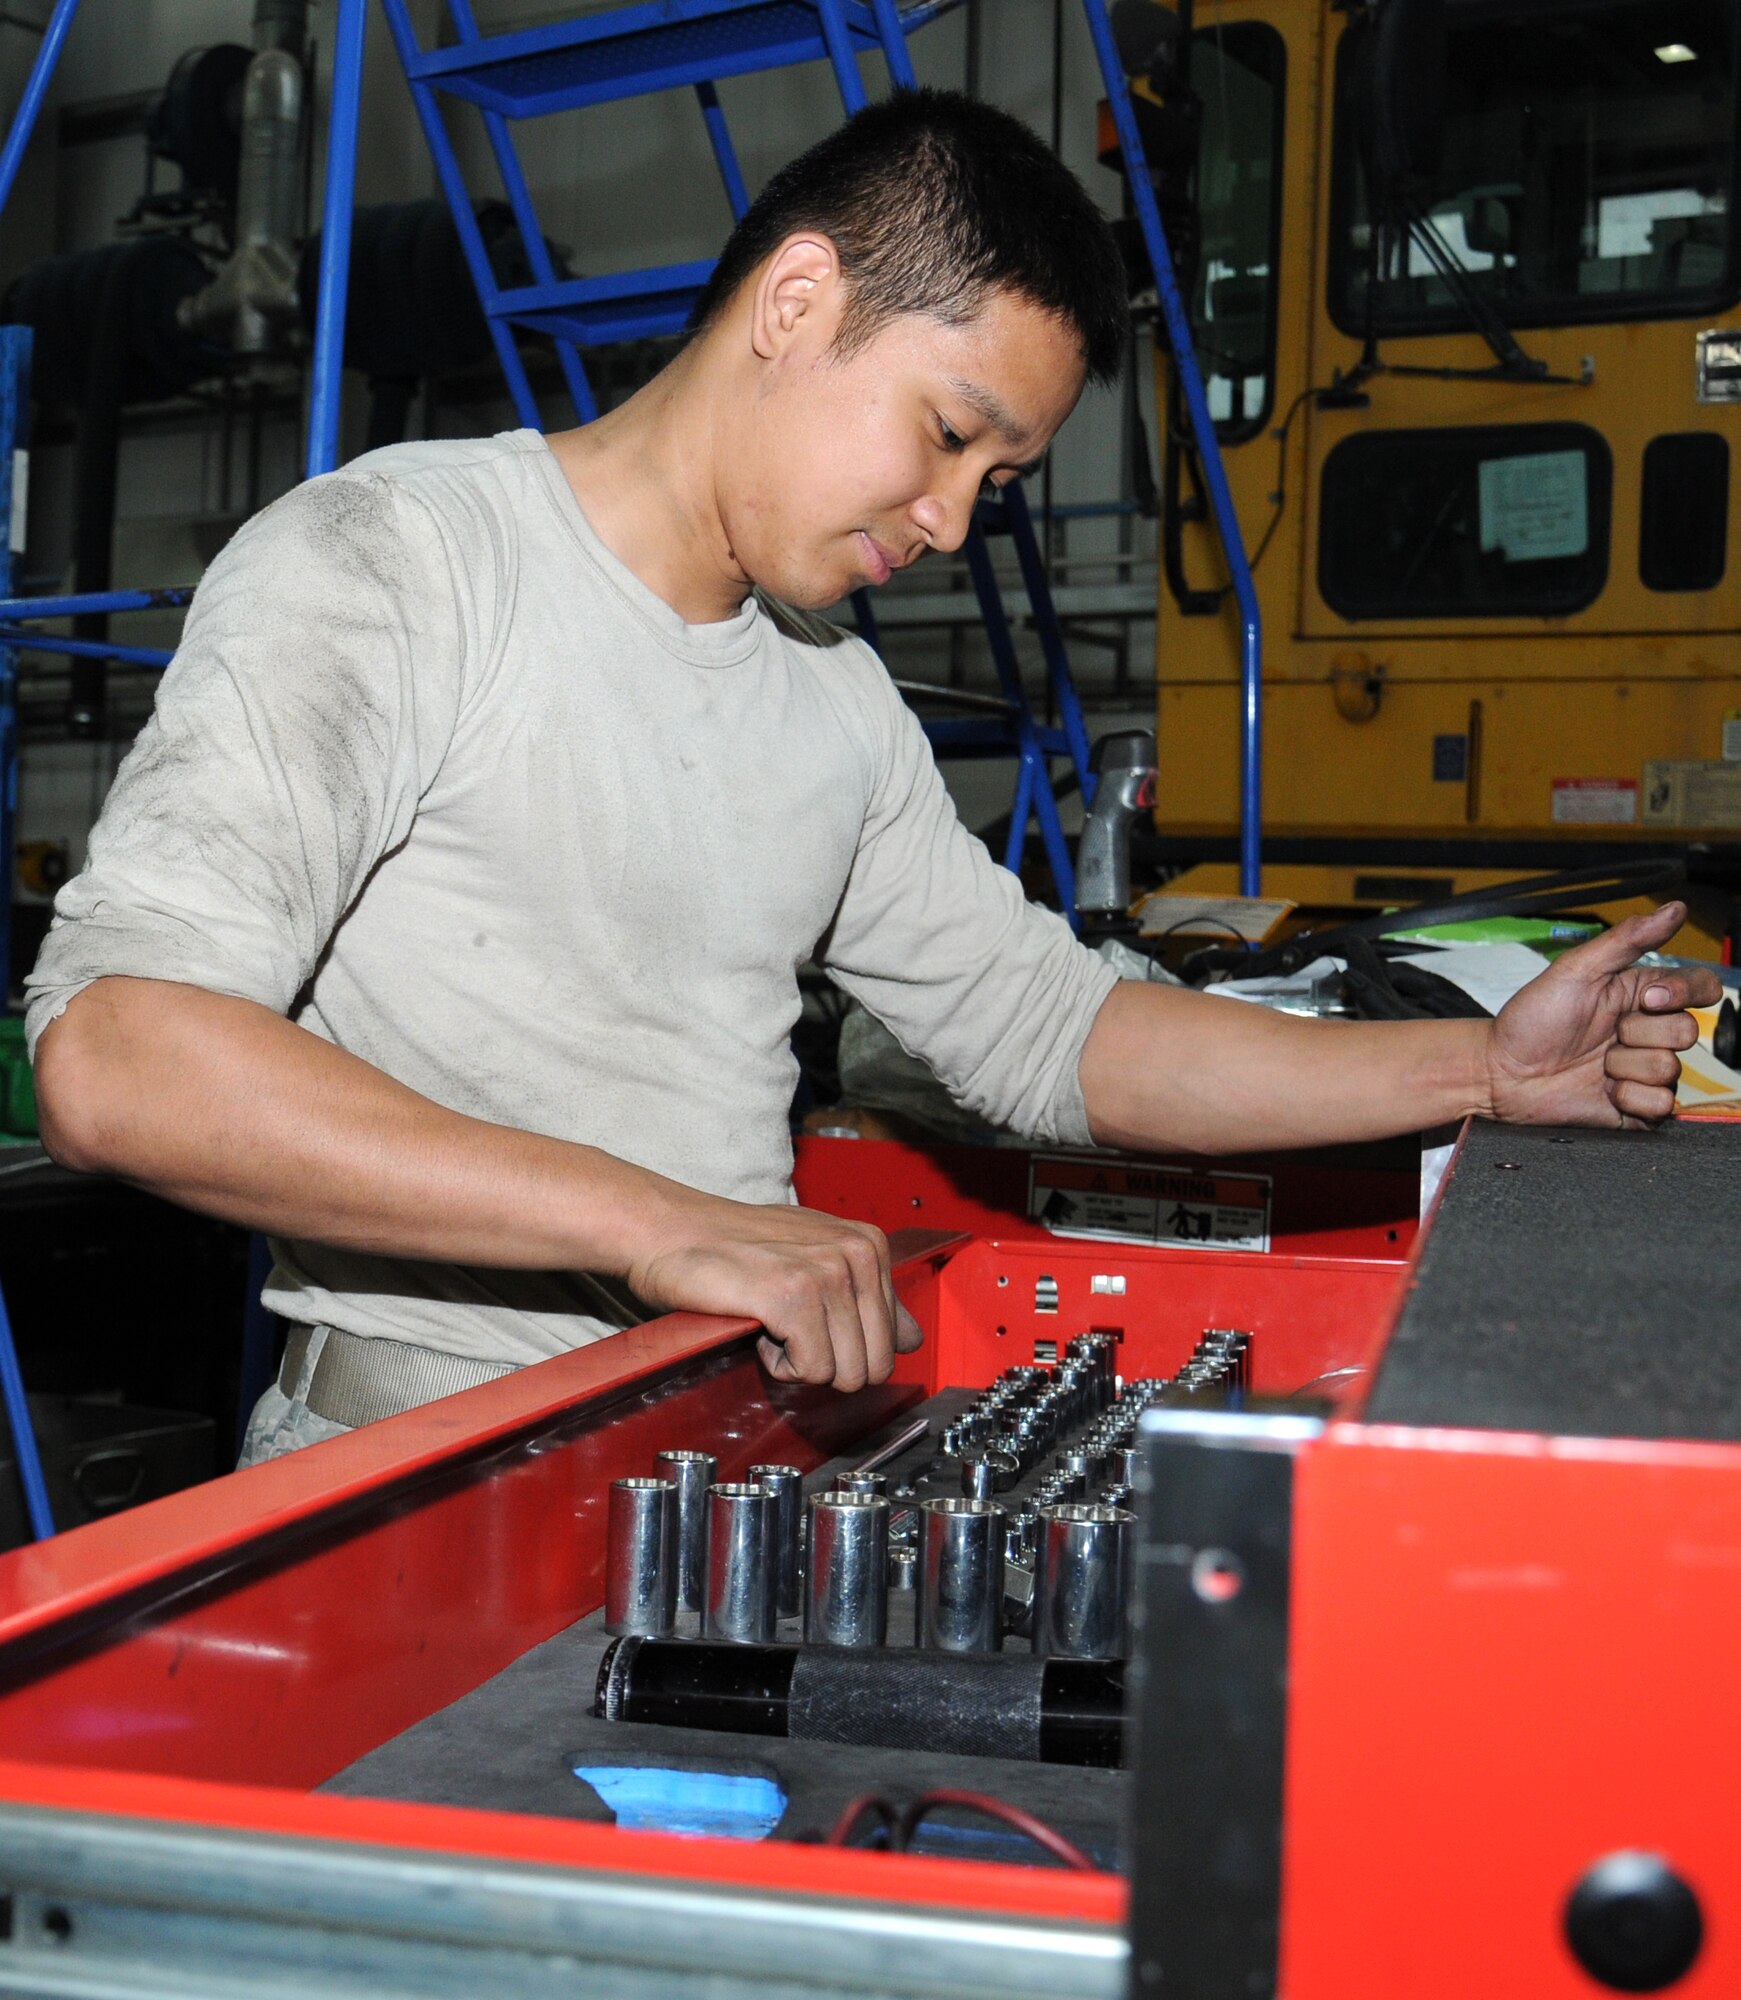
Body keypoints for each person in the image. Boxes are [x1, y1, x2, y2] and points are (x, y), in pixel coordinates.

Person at [25, 91, 1718, 1465]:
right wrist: (659, 1224)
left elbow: (1057, 1036)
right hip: (411, 1465)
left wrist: (1481, 1070)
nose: (952, 519)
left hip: (718, 1442)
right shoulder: (395, 563)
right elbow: (120, 1052)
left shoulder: (828, 696)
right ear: (796, 304)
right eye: (947, 434)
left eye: (999, 479)